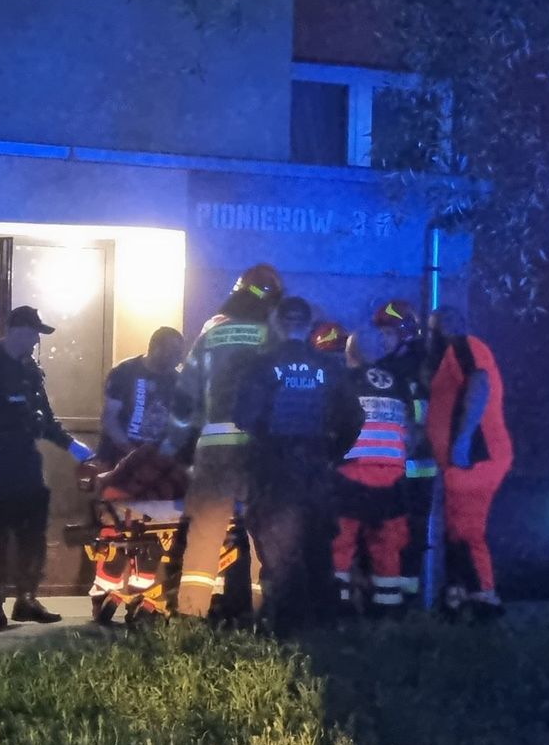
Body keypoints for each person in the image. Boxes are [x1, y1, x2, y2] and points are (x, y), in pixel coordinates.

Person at [0, 305, 96, 630]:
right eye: (33, 334)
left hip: (25, 461)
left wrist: (71, 445)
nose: (35, 341)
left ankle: (27, 599)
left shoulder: (31, 371)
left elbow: (43, 419)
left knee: (32, 533)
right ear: (16, 331)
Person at [156, 264, 283, 619]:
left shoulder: (212, 333)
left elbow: (186, 398)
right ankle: (262, 616)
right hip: (258, 453)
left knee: (205, 534)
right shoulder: (272, 338)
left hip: (213, 451)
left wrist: (170, 447)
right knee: (262, 533)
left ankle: (191, 616)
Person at [234, 296, 364, 635]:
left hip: (275, 473)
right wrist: (331, 452)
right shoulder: (329, 367)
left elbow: (244, 416)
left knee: (280, 553)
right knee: (318, 548)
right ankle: (324, 627)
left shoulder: (261, 365)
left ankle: (287, 631)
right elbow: (354, 417)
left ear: (277, 324)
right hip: (317, 471)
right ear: (308, 327)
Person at [425, 307, 513, 620]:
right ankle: (458, 595)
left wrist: (462, 441)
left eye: (433, 329)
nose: (431, 336)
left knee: (466, 530)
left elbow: (480, 382)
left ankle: (484, 598)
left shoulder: (464, 346)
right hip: (466, 459)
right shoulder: (454, 354)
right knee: (456, 529)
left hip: (474, 457)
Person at [331, 329, 416, 617]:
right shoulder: (398, 382)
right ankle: (387, 610)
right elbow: (410, 425)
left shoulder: (344, 380)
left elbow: (333, 424)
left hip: (353, 472)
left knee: (341, 544)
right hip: (392, 475)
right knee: (387, 546)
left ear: (349, 353)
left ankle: (339, 609)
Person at [372, 299, 435, 603]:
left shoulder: (405, 369)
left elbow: (421, 415)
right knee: (410, 532)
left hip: (406, 463)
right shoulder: (421, 364)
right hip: (413, 464)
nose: (382, 340)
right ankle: (404, 595)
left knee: (399, 530)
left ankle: (399, 596)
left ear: (404, 333)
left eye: (387, 334)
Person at [99, 326, 185, 465]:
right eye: (173, 352)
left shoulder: (178, 381)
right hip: (117, 459)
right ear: (156, 348)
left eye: (179, 353)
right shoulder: (124, 371)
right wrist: (131, 452)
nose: (178, 359)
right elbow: (110, 419)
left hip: (154, 464)